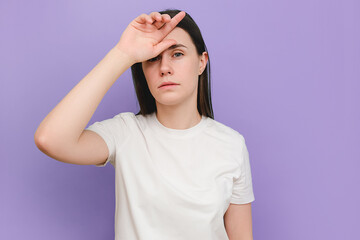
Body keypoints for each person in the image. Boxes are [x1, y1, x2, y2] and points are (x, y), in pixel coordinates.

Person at [34, 8, 255, 240]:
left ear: (202, 63)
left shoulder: (231, 144)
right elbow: (50, 139)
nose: (164, 68)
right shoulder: (125, 133)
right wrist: (123, 53)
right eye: (153, 58)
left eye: (177, 54)